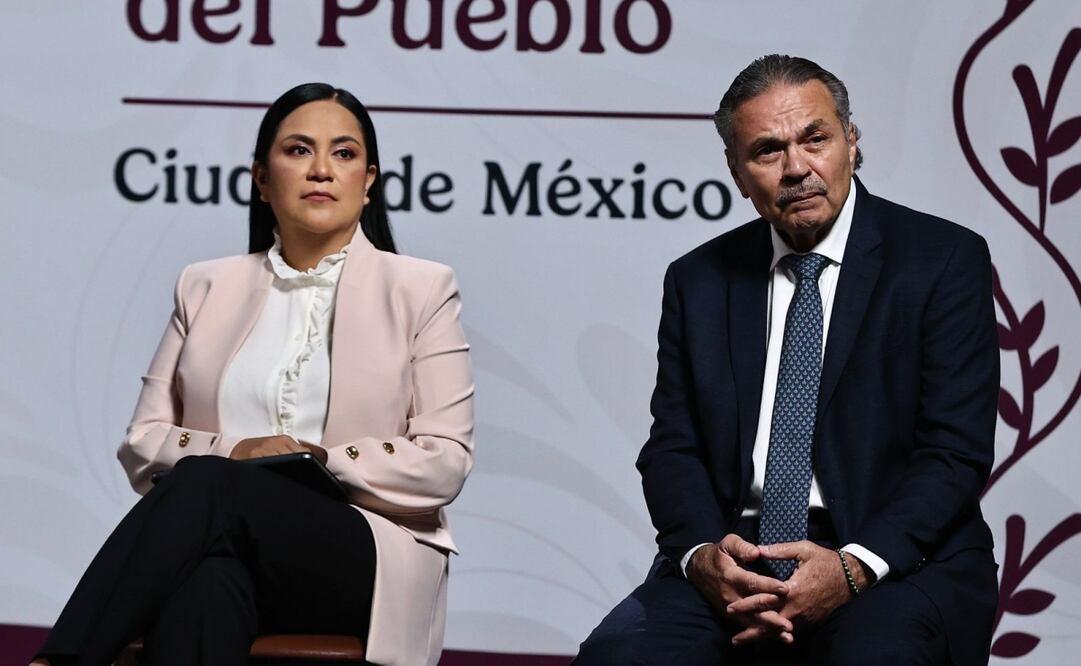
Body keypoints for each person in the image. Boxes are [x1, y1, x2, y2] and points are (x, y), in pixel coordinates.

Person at [575, 55, 999, 664]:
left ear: (852, 142)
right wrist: (704, 558)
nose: (797, 167)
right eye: (768, 151)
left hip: (894, 560)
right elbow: (672, 448)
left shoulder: (943, 260)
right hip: (738, 558)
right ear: (736, 172)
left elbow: (954, 452)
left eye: (815, 139)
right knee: (618, 658)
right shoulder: (698, 280)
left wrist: (853, 567)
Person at [33, 83, 474, 666]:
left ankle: (60, 660)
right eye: (298, 150)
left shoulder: (422, 288)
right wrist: (237, 452)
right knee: (205, 586)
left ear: (368, 181)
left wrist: (322, 460)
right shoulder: (204, 285)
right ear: (262, 179)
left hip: (363, 556)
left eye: (344, 154)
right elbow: (142, 444)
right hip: (233, 549)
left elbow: (446, 462)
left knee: (208, 484)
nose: (321, 169)